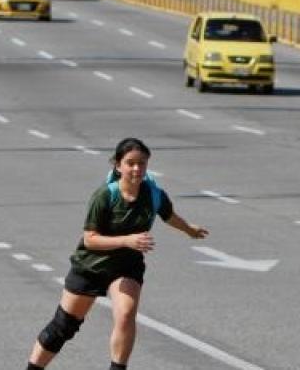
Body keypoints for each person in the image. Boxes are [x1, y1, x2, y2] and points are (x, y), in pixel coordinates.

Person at [25, 138, 209, 370]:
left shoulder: (153, 194)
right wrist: (127, 240)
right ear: (118, 165)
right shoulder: (105, 195)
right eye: (130, 163)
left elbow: (169, 215)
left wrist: (189, 230)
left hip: (126, 268)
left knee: (125, 314)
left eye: (141, 163)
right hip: (90, 266)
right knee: (63, 327)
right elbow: (89, 239)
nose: (136, 169)